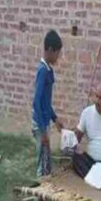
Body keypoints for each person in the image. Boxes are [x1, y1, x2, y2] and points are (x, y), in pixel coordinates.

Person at [32, 30, 65, 177]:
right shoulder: (42, 71)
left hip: (45, 121)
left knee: (46, 156)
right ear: (50, 50)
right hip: (40, 123)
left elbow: (46, 102)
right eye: (57, 53)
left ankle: (45, 181)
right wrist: (42, 129)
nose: (58, 57)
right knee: (42, 157)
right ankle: (40, 190)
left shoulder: (48, 70)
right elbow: (37, 102)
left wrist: (55, 118)